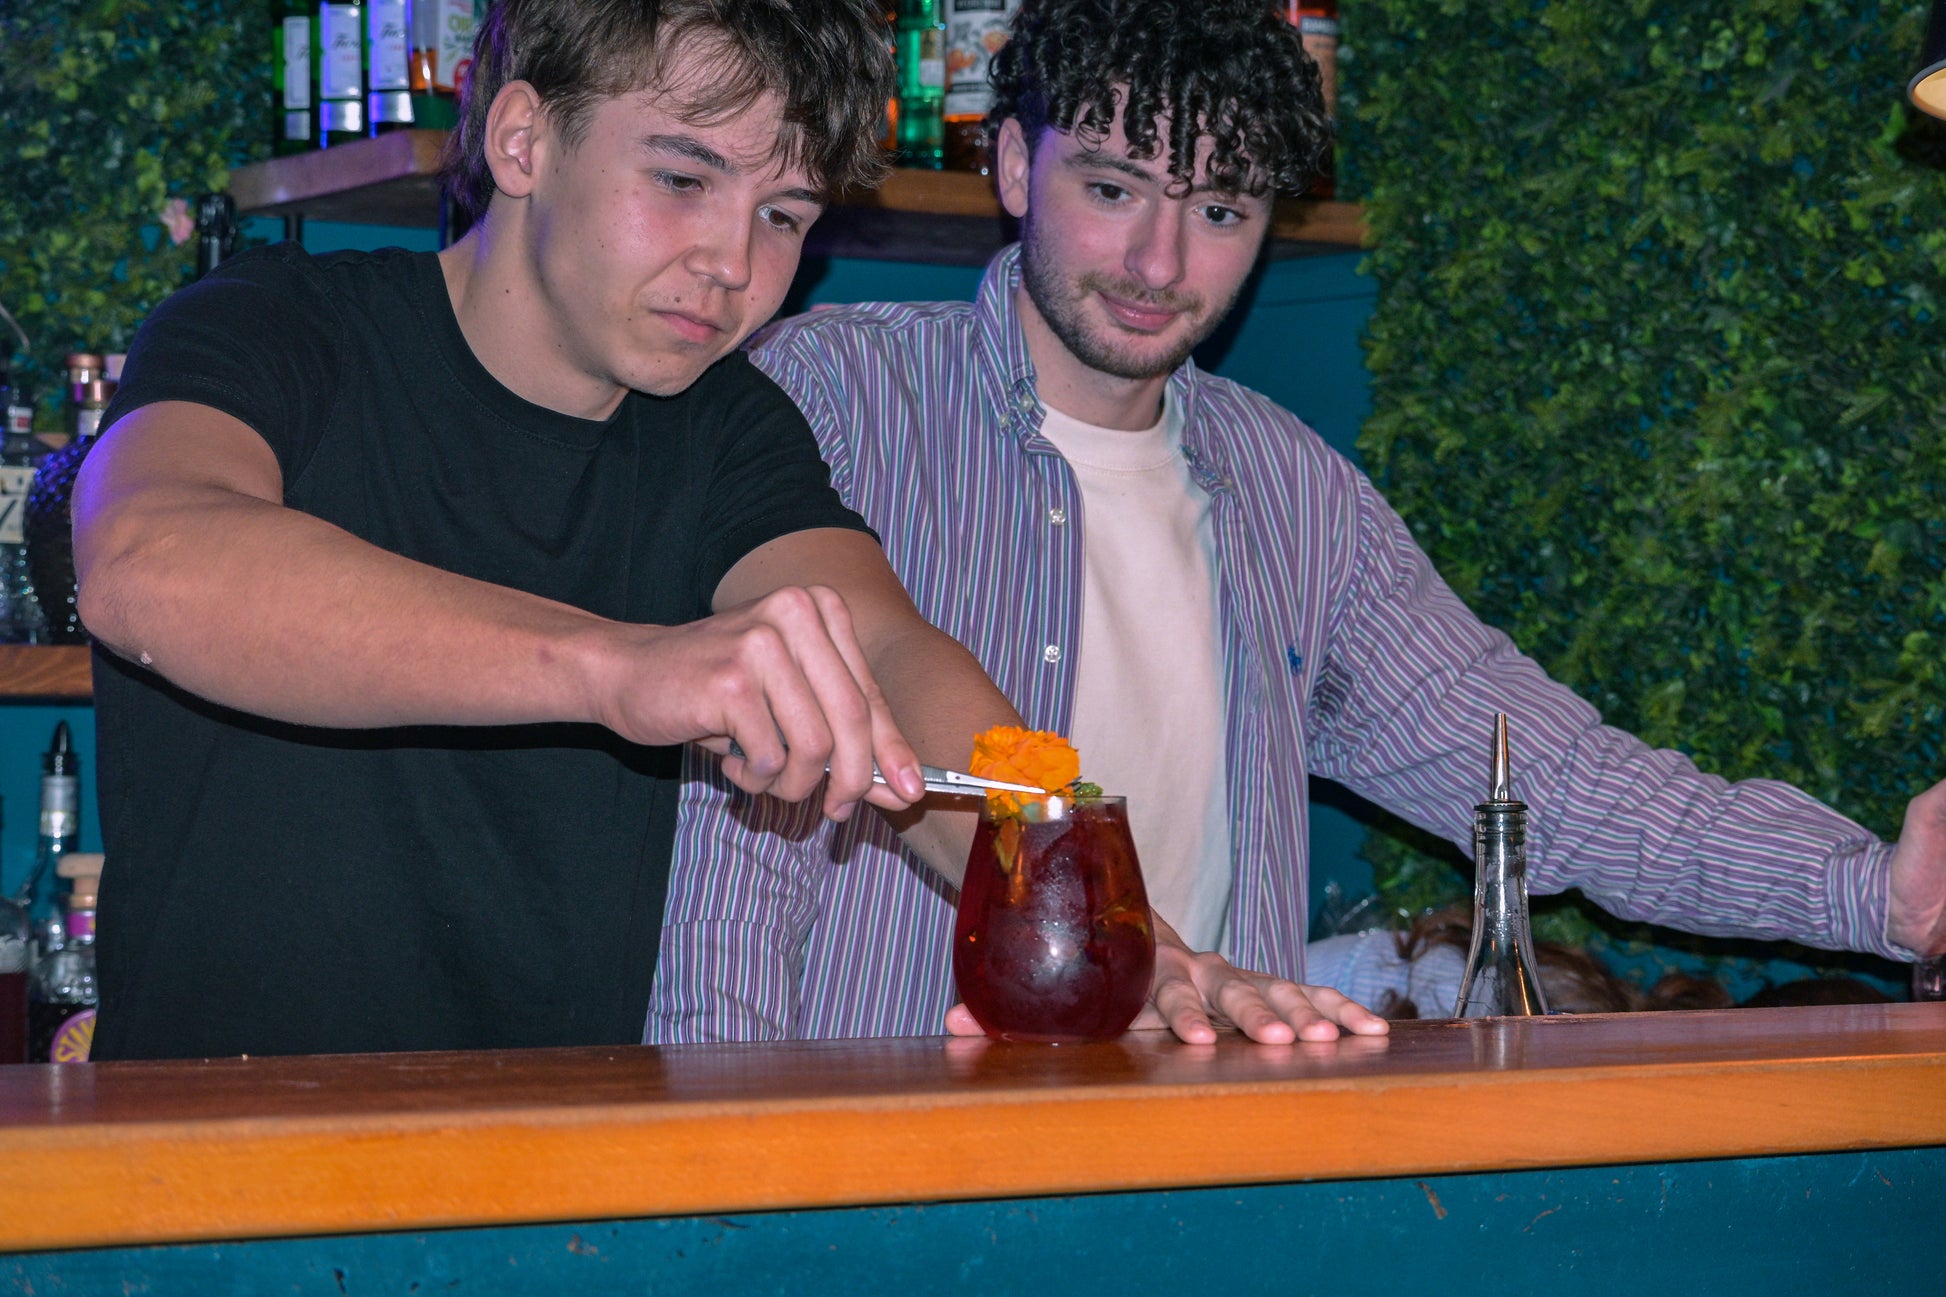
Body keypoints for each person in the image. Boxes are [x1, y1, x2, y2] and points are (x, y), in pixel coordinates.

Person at [646, 0, 1946, 1046]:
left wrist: (1872, 891)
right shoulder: (825, 396)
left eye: (1218, 210)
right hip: (880, 1151)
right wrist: (718, 1164)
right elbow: (730, 843)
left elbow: (1551, 776)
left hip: (1206, 1159)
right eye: (1112, 187)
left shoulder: (1293, 499)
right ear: (1008, 161)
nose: (1160, 262)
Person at [71, 0, 1046, 1060]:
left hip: (550, 1168)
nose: (732, 262)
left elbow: (883, 649)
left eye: (783, 215)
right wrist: (622, 668)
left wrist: (1081, 906)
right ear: (522, 139)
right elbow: (146, 566)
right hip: (210, 1161)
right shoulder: (275, 323)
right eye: (682, 179)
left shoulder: (723, 426)